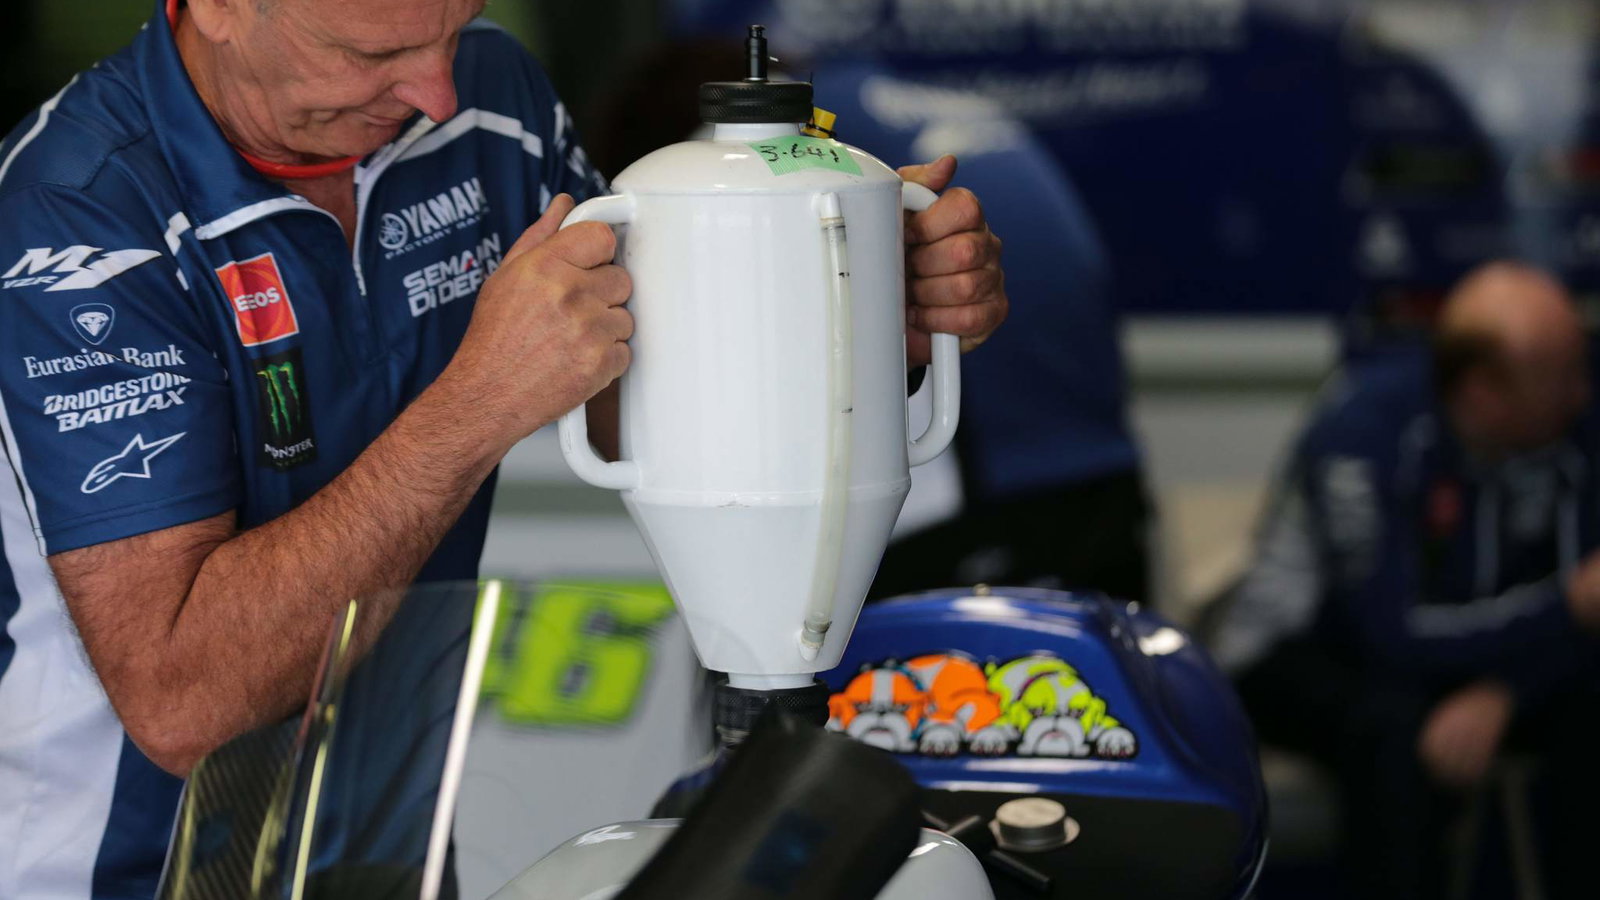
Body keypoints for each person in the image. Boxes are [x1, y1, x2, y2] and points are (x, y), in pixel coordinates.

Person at [0, 1, 1008, 897]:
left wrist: (852, 311)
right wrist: (478, 401)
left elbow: (634, 405)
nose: (438, 89)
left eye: (456, 25)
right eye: (373, 50)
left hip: (383, 846)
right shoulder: (74, 215)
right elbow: (186, 705)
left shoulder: (491, 90)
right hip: (122, 867)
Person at [1211, 261, 1600, 899]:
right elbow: (1390, 633)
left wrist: (1508, 687)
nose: (1583, 393)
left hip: (1483, 656)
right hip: (1305, 650)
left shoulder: (1577, 427)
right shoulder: (1363, 433)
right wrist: (1564, 615)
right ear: (1485, 391)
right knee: (1394, 731)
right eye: (1562, 378)